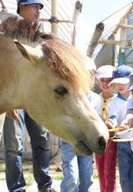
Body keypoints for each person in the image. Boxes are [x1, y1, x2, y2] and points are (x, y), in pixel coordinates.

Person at [3, 1, 55, 192]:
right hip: (13, 97)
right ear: (22, 8)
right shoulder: (6, 29)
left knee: (41, 140)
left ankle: (45, 186)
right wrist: (7, 103)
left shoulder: (41, 33)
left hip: (35, 96)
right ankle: (17, 189)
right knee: (13, 146)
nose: (38, 11)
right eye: (34, 6)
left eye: (39, 7)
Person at [60, 62, 100, 192]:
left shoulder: (96, 99)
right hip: (69, 141)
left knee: (86, 180)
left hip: (87, 144)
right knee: (71, 177)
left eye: (91, 75)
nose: (87, 78)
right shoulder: (69, 95)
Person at [108, 65, 133, 192]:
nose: (120, 85)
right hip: (123, 143)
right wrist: (111, 124)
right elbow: (113, 118)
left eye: (123, 82)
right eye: (116, 82)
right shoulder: (114, 102)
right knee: (125, 177)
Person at [94, 65, 117, 192]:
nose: (106, 83)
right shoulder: (96, 99)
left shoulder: (118, 100)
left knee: (109, 171)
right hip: (99, 138)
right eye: (102, 80)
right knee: (101, 170)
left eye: (109, 80)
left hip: (113, 139)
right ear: (98, 81)